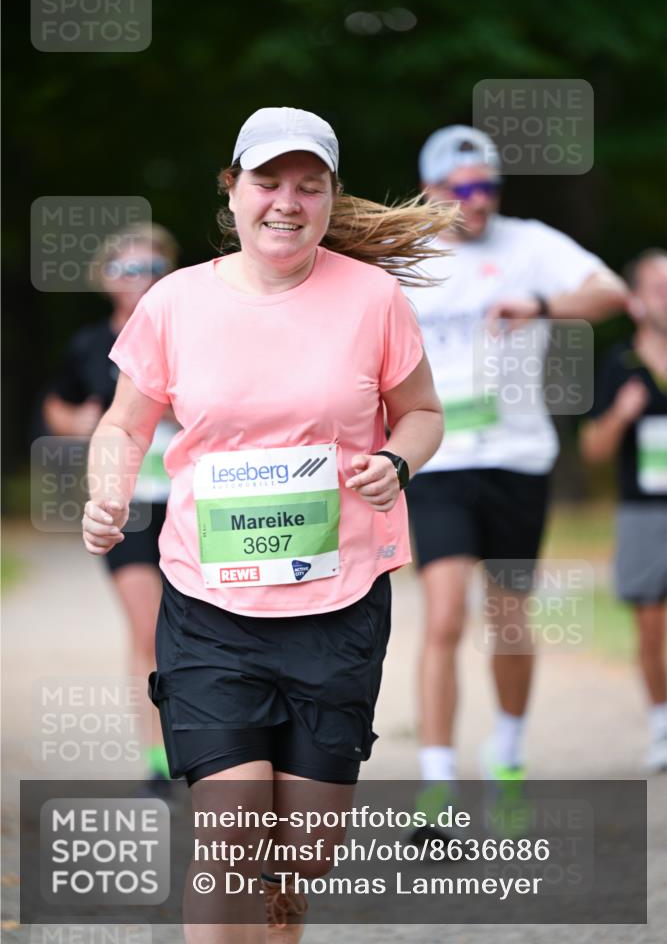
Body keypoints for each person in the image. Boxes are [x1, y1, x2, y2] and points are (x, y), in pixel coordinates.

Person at [80, 106, 453, 942]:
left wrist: (395, 461)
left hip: (338, 603)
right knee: (231, 828)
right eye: (268, 182)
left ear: (328, 198)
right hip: (210, 605)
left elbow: (422, 413)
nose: (286, 201)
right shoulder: (176, 303)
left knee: (304, 853)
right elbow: (122, 426)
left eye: (307, 186)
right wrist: (107, 494)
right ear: (234, 189)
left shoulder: (372, 299)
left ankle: (281, 913)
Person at [404, 125, 628, 827]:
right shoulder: (400, 258)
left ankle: (506, 759)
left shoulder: (528, 242)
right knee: (443, 614)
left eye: (487, 187)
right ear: (430, 191)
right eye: (461, 189)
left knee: (507, 619)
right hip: (438, 458)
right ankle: (436, 782)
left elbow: (611, 293)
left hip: (516, 458)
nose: (476, 202)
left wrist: (541, 305)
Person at [43, 222, 181, 785]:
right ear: (106, 279)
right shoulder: (88, 345)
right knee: (147, 632)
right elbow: (58, 407)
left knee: (198, 630)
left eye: (152, 269)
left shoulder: (188, 333)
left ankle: (211, 745)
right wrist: (81, 423)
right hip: (126, 505)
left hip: (189, 502)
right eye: (128, 269)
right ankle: (157, 759)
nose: (140, 280)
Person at [580, 249, 667, 773]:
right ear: (635, 302)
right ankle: (661, 725)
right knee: (650, 628)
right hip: (642, 514)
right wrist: (621, 413)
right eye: (658, 286)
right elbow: (592, 448)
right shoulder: (619, 364)